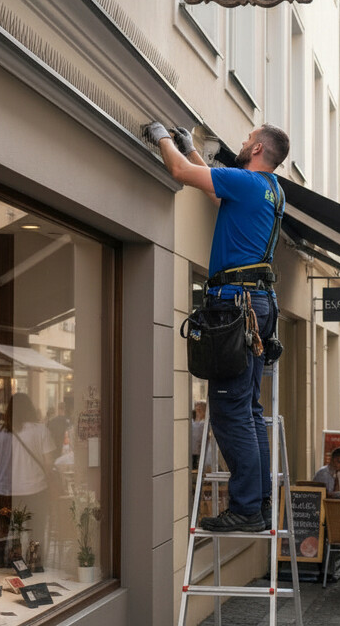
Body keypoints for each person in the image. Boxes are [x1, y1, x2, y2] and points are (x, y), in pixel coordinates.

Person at [145, 120, 289, 532]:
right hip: (258, 306)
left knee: (229, 411)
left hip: (236, 305)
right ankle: (258, 505)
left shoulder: (246, 182)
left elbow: (180, 175)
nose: (242, 144)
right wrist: (193, 150)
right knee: (249, 409)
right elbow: (214, 191)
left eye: (247, 140)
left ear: (259, 148)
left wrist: (163, 138)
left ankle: (245, 509)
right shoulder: (272, 191)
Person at [0, 393, 56, 549]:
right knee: (36, 532)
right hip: (36, 489)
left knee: (2, 533)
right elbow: (48, 463)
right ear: (30, 409)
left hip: (6, 491)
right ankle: (35, 564)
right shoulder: (41, 431)